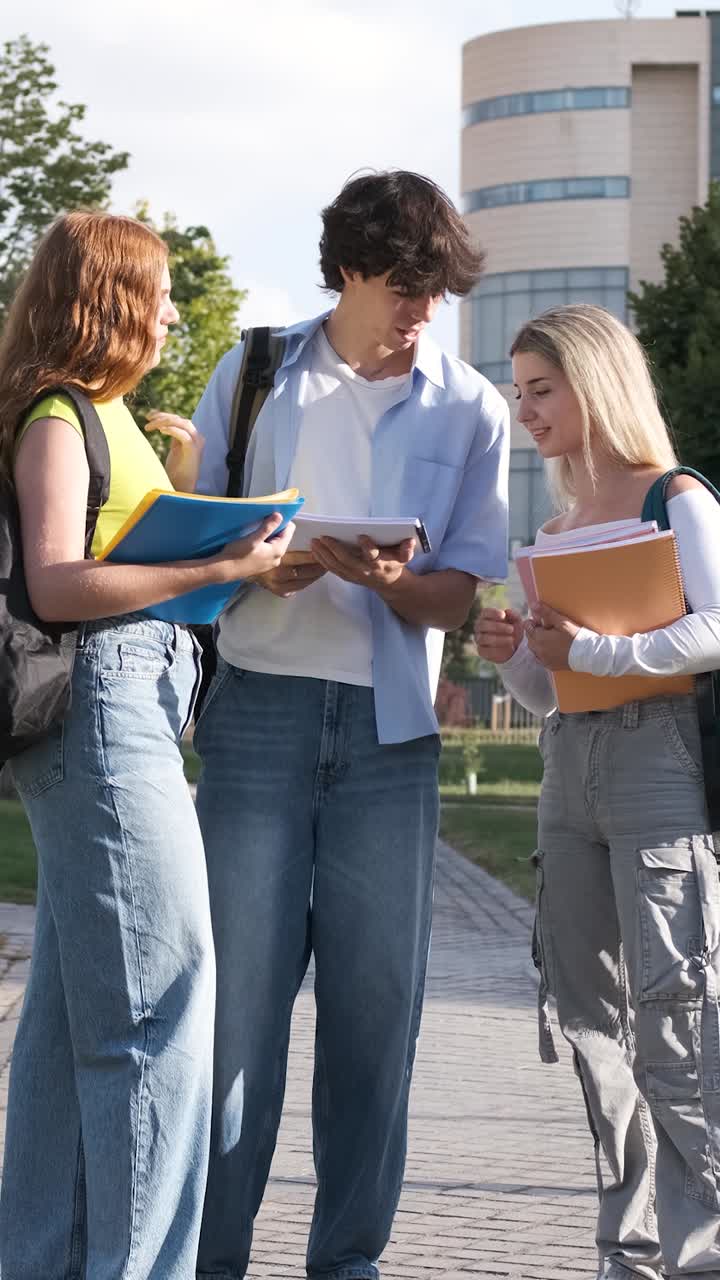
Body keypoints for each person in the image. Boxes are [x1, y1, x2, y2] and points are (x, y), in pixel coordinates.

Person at [191, 169, 510, 1280]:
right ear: (350, 270)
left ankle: (349, 1261)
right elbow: (191, 555)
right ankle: (212, 1257)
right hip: (256, 721)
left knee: (378, 1017)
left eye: (440, 291)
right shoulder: (254, 374)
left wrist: (390, 581)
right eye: (408, 288)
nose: (426, 310)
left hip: (391, 739)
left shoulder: (474, 405)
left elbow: (458, 591)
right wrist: (253, 568)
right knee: (235, 1021)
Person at [0, 210, 294, 1280]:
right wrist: (201, 572)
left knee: (74, 1017)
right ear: (112, 299)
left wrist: (239, 560)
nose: (173, 310)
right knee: (164, 1007)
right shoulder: (55, 414)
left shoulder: (114, 417)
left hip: (137, 696)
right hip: (105, 707)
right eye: (160, 291)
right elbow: (56, 582)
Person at [475, 302, 720, 1280]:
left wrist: (601, 648)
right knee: (590, 1026)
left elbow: (716, 626)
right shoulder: (554, 526)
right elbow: (550, 688)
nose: (527, 411)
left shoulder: (677, 497)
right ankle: (626, 1254)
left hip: (662, 767)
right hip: (567, 769)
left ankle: (698, 1253)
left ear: (596, 383)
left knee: (677, 1013)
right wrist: (514, 657)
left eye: (543, 390)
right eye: (520, 392)